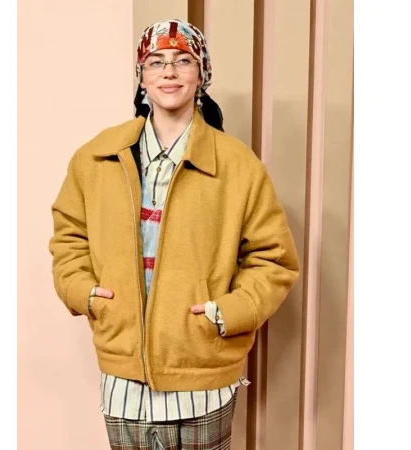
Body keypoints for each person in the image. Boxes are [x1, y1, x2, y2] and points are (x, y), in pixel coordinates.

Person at [49, 18, 300, 450]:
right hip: (123, 380)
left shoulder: (238, 166)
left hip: (204, 377)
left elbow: (273, 259)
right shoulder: (96, 158)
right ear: (141, 76)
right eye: (156, 62)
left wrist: (226, 313)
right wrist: (84, 294)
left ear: (201, 75)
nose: (168, 71)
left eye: (183, 61)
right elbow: (69, 237)